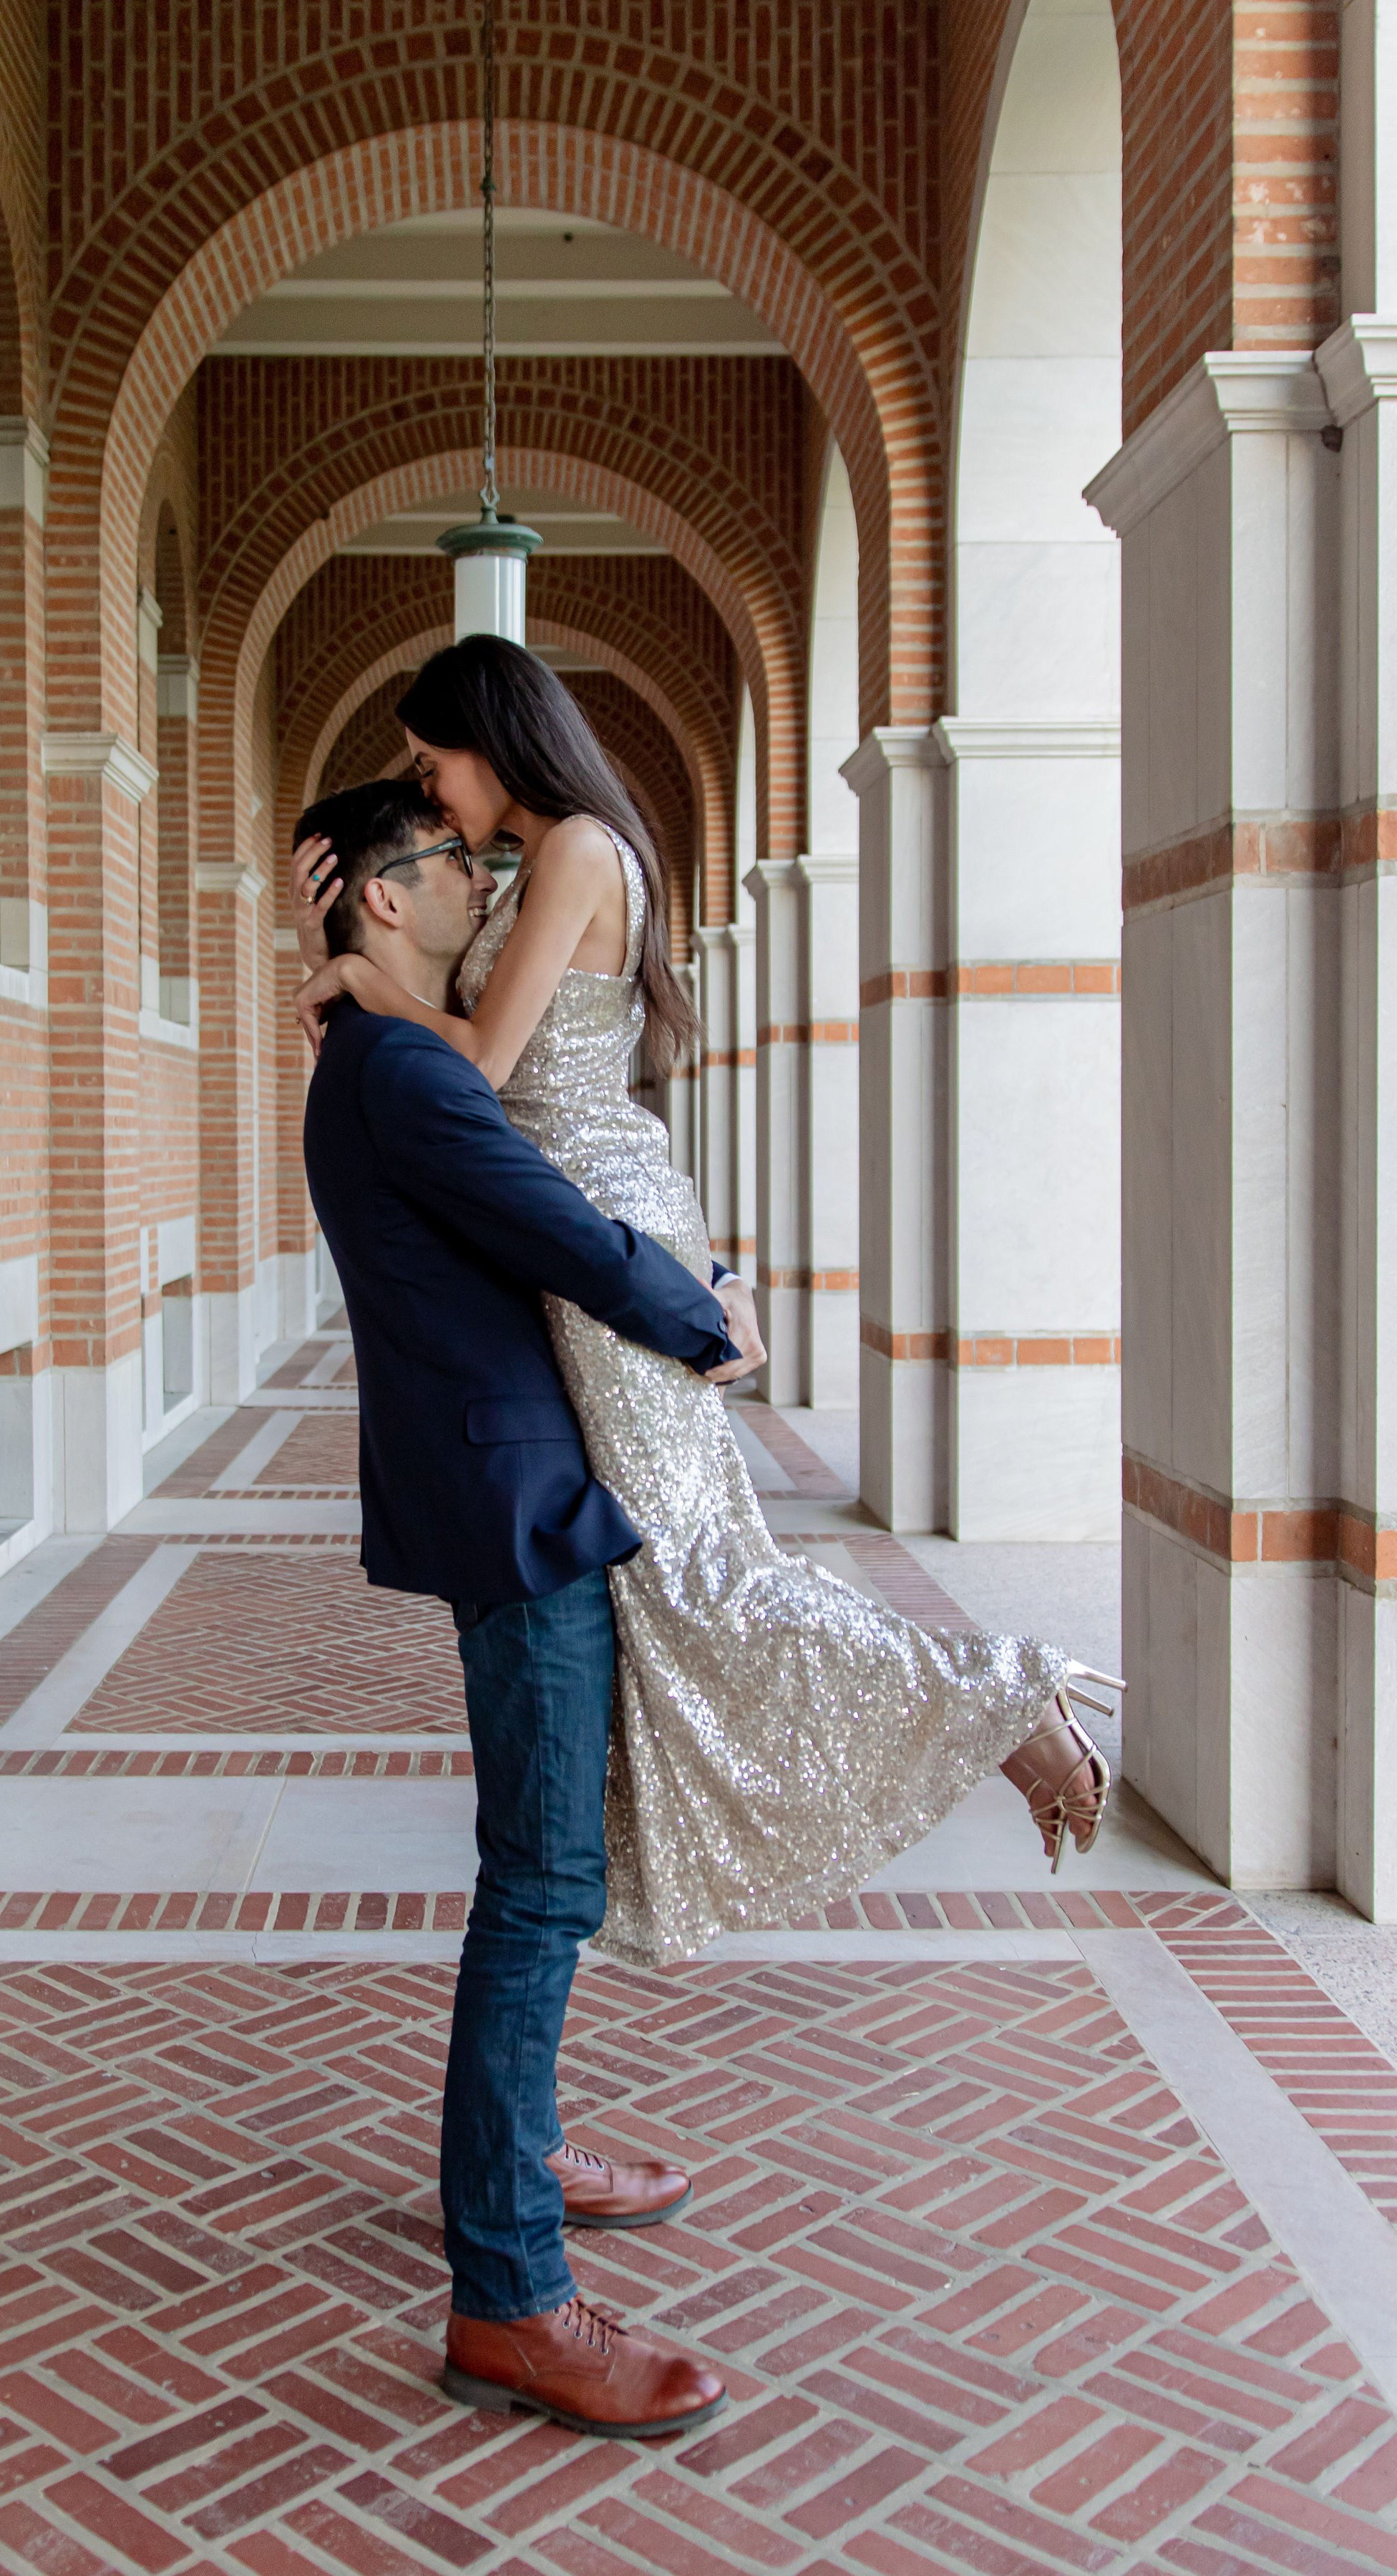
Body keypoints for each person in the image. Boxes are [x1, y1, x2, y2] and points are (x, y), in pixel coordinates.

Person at [293, 636, 1119, 1974]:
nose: (428, 788)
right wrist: (336, 933)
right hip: (571, 1227)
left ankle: (1001, 1703)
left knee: (699, 1573)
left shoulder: (571, 851)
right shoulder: (539, 858)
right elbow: (448, 994)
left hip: (598, 1229)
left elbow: (483, 1057)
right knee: (671, 1583)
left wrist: (358, 979)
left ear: (492, 739)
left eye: (432, 757)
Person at [299, 775, 767, 2439]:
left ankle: (521, 2150)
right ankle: (507, 2295)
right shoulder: (406, 1068)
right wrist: (703, 1315)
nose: (480, 882)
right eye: (446, 863)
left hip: (510, 1486)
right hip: (518, 1511)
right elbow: (555, 1229)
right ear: (372, 896)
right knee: (539, 1885)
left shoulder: (383, 1053)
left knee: (538, 1874)